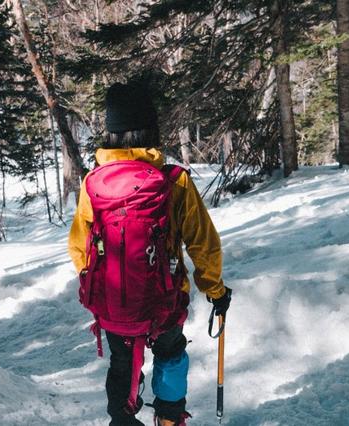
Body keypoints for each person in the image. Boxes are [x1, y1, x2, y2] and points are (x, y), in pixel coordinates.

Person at [68, 83, 232, 426]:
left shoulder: (92, 183)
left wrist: (97, 285)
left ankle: (123, 419)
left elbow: (80, 246)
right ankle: (170, 420)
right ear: (152, 129)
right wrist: (215, 289)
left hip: (114, 304)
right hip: (165, 299)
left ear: (110, 131)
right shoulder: (174, 180)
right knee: (171, 355)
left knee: (122, 363)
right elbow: (202, 242)